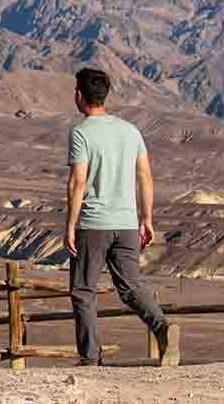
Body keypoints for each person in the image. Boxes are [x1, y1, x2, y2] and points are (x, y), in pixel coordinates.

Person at [63, 68, 178, 366]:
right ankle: (163, 327)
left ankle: (90, 357)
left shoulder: (81, 133)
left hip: (94, 224)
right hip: (127, 223)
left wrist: (70, 225)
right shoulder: (131, 131)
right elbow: (145, 177)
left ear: (79, 95)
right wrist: (147, 218)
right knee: (131, 287)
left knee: (83, 291)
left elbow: (78, 181)